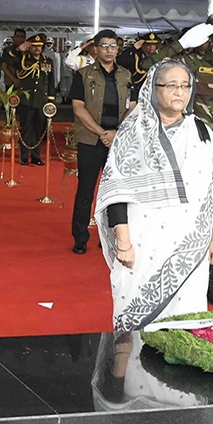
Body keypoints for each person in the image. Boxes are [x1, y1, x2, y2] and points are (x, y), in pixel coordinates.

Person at [95, 60, 213, 333]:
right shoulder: (133, 133)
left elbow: (212, 190)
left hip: (190, 243)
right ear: (152, 89)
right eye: (171, 86)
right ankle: (134, 373)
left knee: (186, 318)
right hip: (143, 241)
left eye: (185, 86)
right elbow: (116, 192)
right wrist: (123, 242)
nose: (179, 92)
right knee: (136, 315)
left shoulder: (201, 131)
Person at [141, 10, 213, 307]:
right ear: (211, 33)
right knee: (189, 211)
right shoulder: (193, 62)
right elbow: (150, 67)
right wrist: (181, 43)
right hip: (198, 146)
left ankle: (209, 278)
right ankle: (178, 273)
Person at [70, 29, 135, 255]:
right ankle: (80, 237)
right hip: (90, 140)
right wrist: (101, 133)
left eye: (113, 46)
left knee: (114, 191)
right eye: (104, 46)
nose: (109, 50)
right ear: (95, 49)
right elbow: (78, 108)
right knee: (85, 190)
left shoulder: (126, 75)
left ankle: (109, 236)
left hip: (117, 141)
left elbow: (133, 107)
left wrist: (116, 133)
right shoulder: (83, 74)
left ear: (118, 49)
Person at [13, 33, 56, 166]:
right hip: (27, 100)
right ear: (29, 47)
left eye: (40, 46)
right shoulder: (24, 60)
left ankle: (36, 156)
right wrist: (19, 50)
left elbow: (50, 81)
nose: (37, 49)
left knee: (39, 129)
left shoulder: (47, 61)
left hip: (41, 100)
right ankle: (24, 156)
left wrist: (51, 100)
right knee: (26, 128)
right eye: (34, 46)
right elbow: (10, 61)